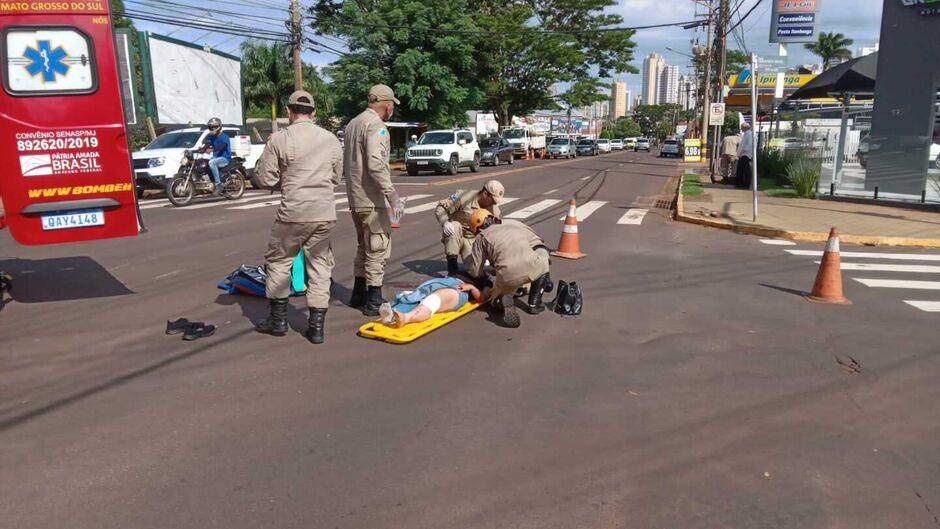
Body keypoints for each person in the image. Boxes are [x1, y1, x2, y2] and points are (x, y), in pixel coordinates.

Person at [253, 90, 342, 345]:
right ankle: (316, 327)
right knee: (320, 265)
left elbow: (266, 179)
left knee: (280, 261)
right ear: (313, 113)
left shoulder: (279, 139)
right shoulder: (330, 139)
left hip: (292, 211)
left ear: (289, 112)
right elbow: (336, 177)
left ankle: (278, 321)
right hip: (324, 212)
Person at [344, 84, 405, 317]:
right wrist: (393, 196)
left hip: (355, 197)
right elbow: (376, 164)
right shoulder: (376, 126)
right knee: (378, 248)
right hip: (372, 198)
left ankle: (358, 293)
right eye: (392, 106)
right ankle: (374, 299)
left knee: (363, 245)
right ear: (387, 104)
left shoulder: (352, 124)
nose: (392, 110)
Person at [465, 209, 552, 328]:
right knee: (543, 258)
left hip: (508, 275)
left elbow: (476, 272)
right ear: (492, 217)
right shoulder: (512, 223)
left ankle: (500, 300)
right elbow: (538, 242)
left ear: (477, 229)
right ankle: (534, 304)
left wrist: (488, 272)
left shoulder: (480, 237)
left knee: (495, 299)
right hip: (533, 266)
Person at [434, 180, 505, 275]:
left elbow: (494, 235)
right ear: (485, 194)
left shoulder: (494, 211)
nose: (494, 204)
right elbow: (441, 208)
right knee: (454, 226)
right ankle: (452, 268)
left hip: (472, 240)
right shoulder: (464, 197)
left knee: (475, 273)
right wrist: (445, 222)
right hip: (456, 234)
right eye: (492, 200)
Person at [378, 277, 483, 328]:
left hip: (460, 292)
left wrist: (472, 287)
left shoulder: (486, 278)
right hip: (447, 282)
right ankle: (392, 314)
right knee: (420, 296)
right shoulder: (470, 264)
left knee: (433, 300)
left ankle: (406, 317)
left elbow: (482, 297)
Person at [204, 117, 232, 196]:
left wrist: (212, 150)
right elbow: (207, 144)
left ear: (219, 126)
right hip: (216, 158)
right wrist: (201, 149)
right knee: (204, 162)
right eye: (211, 127)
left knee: (212, 162)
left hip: (225, 158)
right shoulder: (212, 137)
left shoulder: (224, 136)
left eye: (215, 126)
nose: (213, 128)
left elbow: (222, 146)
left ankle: (218, 185)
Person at [736, 122, 754, 189]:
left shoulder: (750, 134)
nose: (741, 129)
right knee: (740, 170)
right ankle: (740, 184)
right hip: (743, 155)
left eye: (742, 127)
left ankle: (745, 184)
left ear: (745, 127)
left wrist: (741, 152)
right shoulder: (746, 134)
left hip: (746, 155)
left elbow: (749, 145)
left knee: (745, 170)